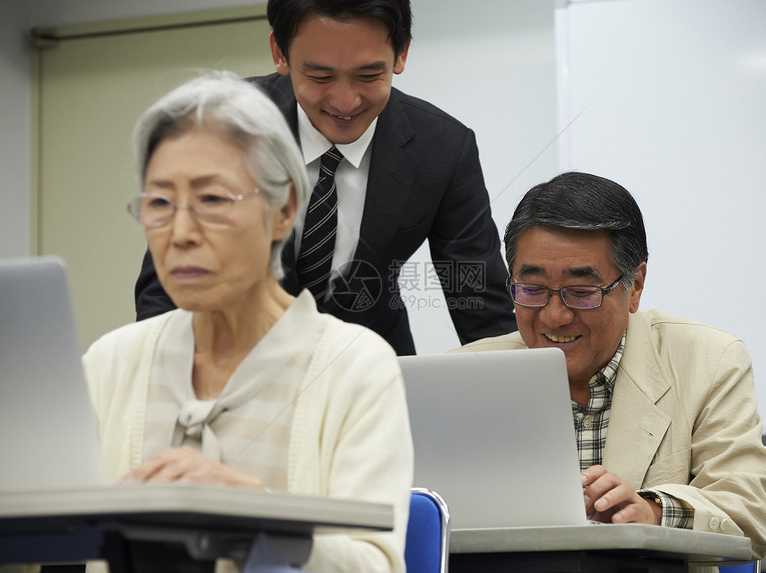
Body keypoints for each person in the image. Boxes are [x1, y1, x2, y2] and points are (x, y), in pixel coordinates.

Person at [84, 71, 412, 572]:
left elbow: (376, 566)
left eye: (212, 200)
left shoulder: (355, 367)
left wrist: (253, 516)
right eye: (160, 204)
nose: (182, 233)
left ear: (284, 210)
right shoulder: (110, 364)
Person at [133, 0, 516, 356]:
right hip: (235, 368)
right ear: (280, 53)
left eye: (368, 75)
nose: (345, 101)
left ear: (401, 54)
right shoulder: (221, 129)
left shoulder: (443, 147)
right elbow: (166, 291)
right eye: (320, 76)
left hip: (372, 372)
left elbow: (478, 297)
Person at [454, 172, 766, 561]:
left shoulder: (708, 360)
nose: (555, 316)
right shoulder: (467, 375)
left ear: (635, 285)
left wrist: (653, 512)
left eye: (581, 292)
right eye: (532, 290)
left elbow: (754, 508)